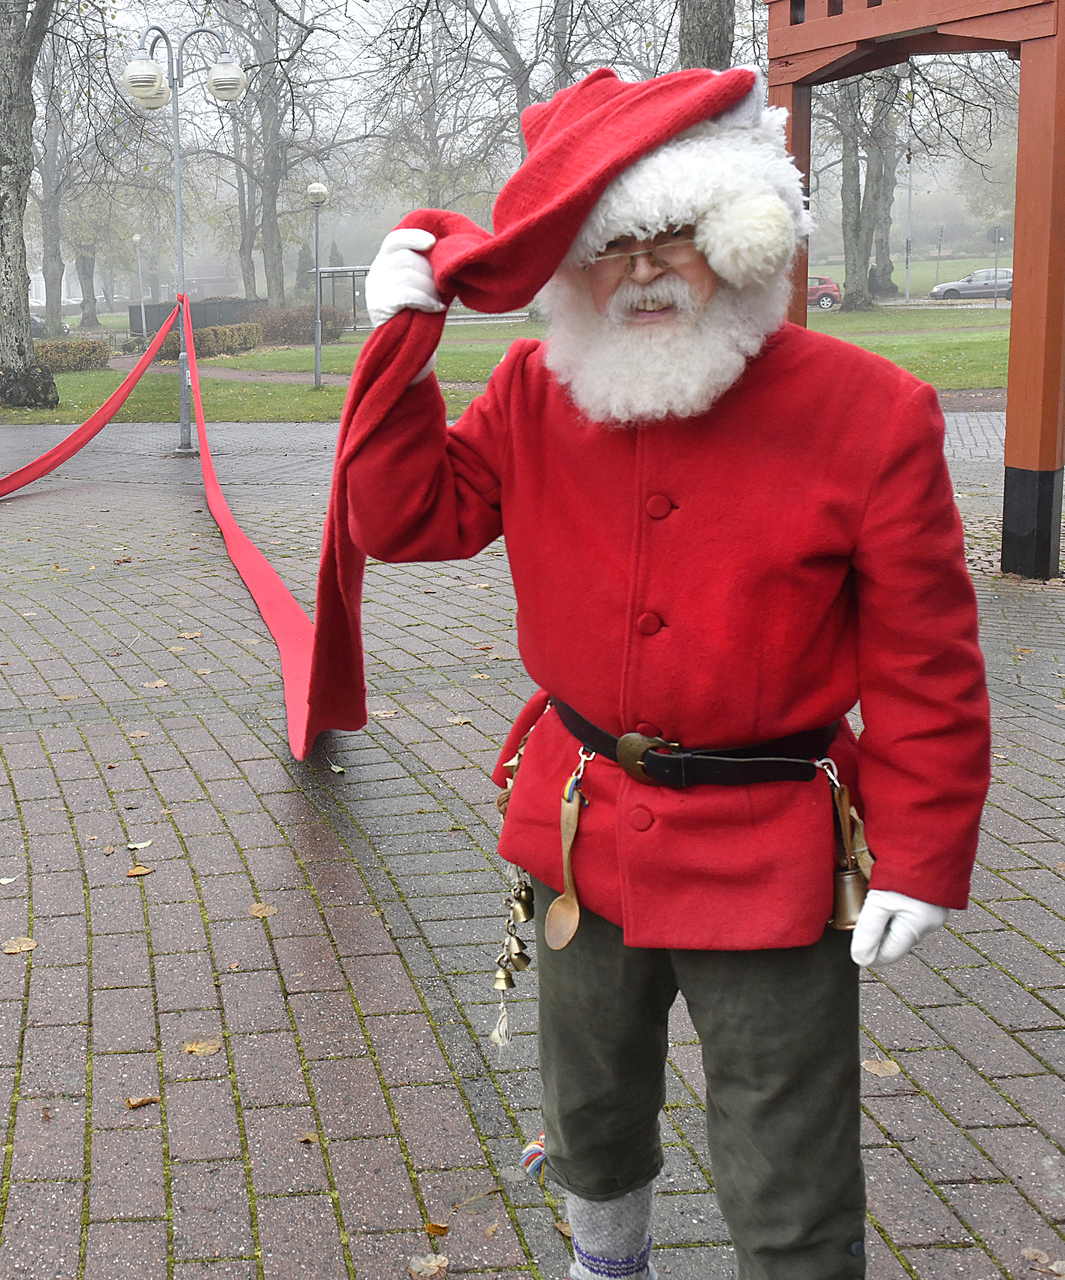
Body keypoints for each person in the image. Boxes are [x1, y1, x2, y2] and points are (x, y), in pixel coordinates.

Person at [350, 68, 988, 1279]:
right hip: (582, 820)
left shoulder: (869, 412)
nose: (640, 271)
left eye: (673, 235)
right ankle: (605, 1265)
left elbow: (926, 667)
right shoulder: (534, 391)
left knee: (784, 1145)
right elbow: (402, 517)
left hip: (769, 844)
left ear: (736, 236)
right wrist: (399, 346)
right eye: (606, 246)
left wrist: (920, 854)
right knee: (587, 1103)